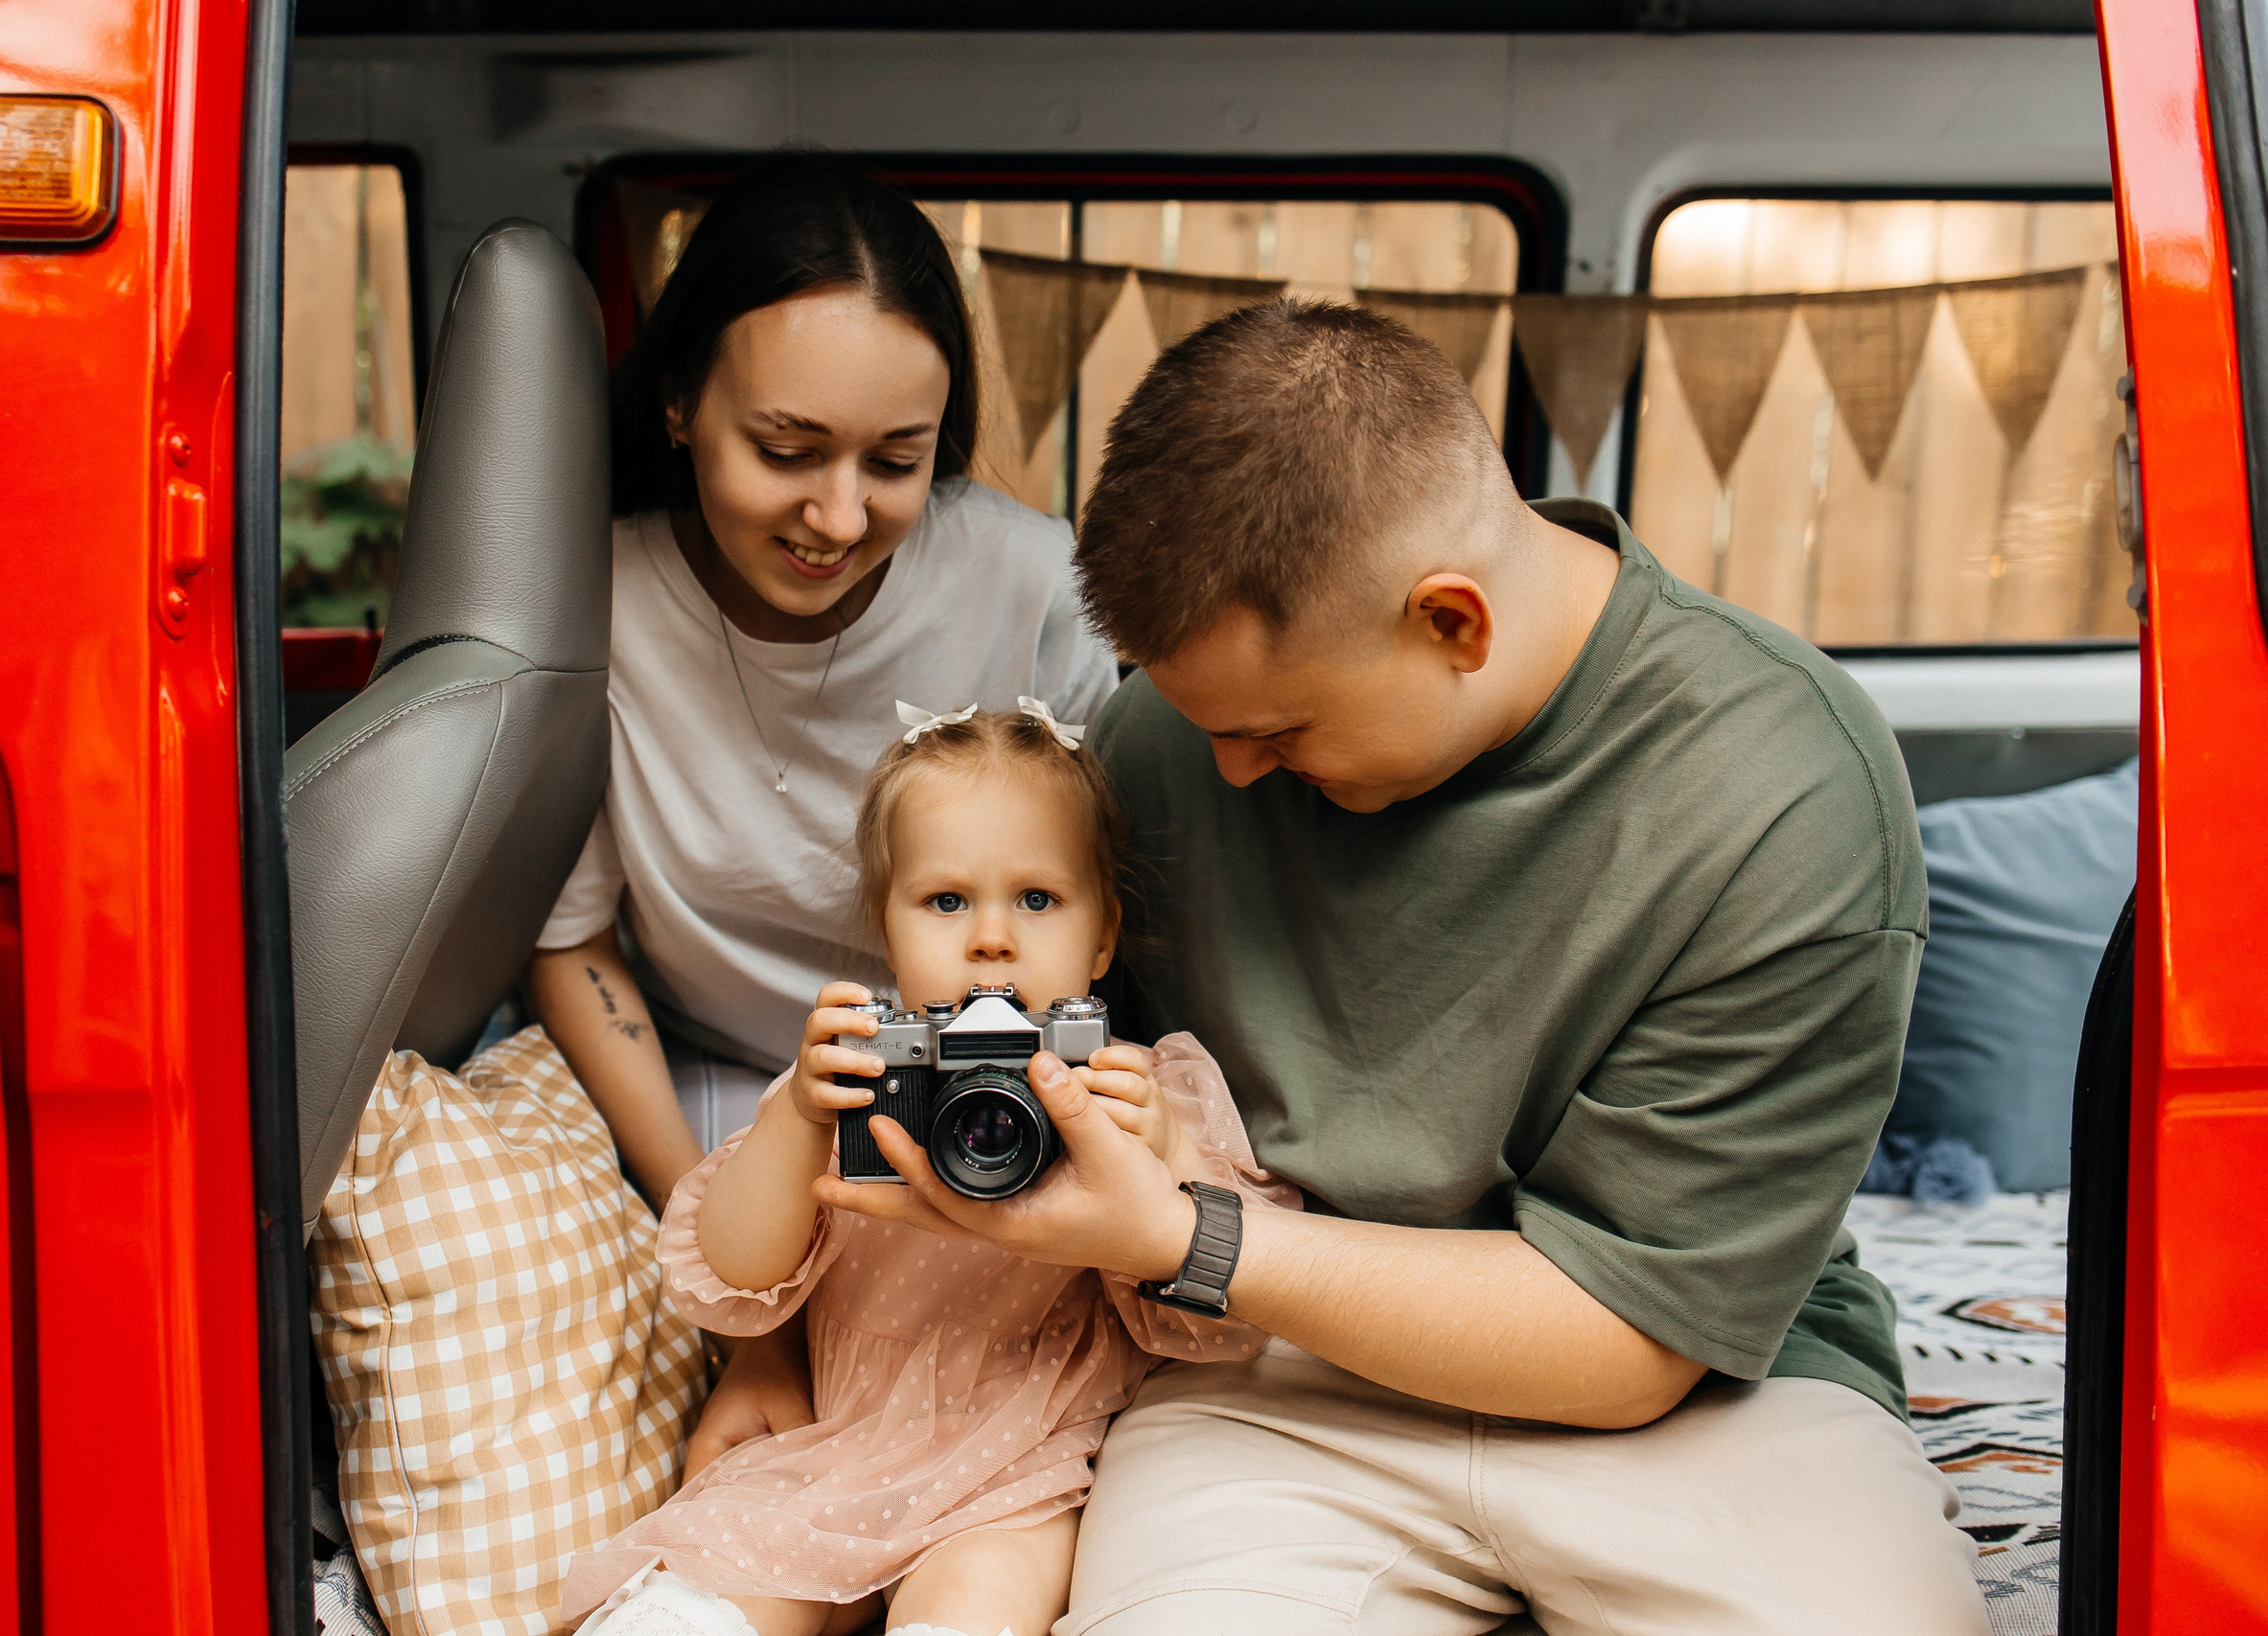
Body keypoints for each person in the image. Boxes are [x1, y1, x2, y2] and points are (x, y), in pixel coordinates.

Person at [808, 303, 1993, 1634]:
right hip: (1272, 1372)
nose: (1235, 774)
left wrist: (1185, 1236)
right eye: (1209, 728)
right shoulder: (1168, 745)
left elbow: (1628, 1338)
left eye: (1278, 728)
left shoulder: (1782, 788)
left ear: (1452, 621)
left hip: (1707, 1390)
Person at [519, 156, 1118, 1477]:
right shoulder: (595, 602)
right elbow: (573, 944)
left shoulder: (1030, 580)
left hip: (995, 1074)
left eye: (895, 462)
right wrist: (753, 1307)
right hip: (701, 1090)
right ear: (680, 404)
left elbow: (1106, 897)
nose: (837, 517)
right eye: (784, 452)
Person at [559, 703, 1295, 1636]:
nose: (991, 938)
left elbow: (1217, 1324)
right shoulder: (860, 1078)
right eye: (946, 902)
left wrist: (1167, 1160)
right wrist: (797, 1119)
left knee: (976, 1605)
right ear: (889, 930)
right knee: (696, 1593)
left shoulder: (1130, 1091)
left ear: (1102, 936)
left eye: (1036, 899)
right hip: (832, 1451)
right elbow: (735, 1275)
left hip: (1019, 1472)